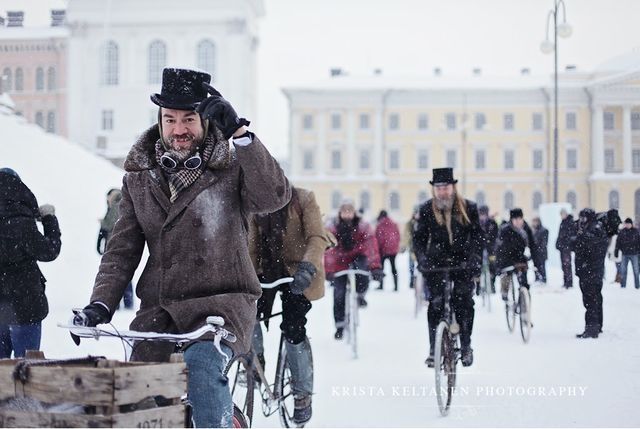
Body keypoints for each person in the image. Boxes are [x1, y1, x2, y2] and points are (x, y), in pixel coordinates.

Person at [72, 68, 291, 428]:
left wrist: (241, 135)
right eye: (170, 119)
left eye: (189, 118)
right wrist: (101, 304)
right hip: (160, 309)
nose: (178, 129)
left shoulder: (232, 167)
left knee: (204, 367)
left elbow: (274, 196)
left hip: (222, 303)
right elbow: (122, 250)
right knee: (137, 391)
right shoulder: (139, 178)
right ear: (159, 121)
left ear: (205, 120)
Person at [248, 187, 327, 425]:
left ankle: (302, 393)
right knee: (246, 312)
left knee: (293, 328)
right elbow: (250, 245)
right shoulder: (255, 203)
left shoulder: (303, 199)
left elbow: (317, 237)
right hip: (267, 270)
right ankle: (254, 362)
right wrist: (245, 279)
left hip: (299, 271)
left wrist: (308, 266)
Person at [413, 168, 482, 368]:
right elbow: (418, 239)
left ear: (453, 187)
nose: (442, 191)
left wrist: (474, 259)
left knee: (464, 302)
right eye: (438, 188)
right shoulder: (426, 209)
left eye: (446, 187)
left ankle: (466, 345)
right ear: (434, 190)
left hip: (463, 263)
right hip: (436, 264)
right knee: (435, 304)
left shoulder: (468, 208)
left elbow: (478, 237)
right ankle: (433, 349)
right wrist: (422, 259)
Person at [0, 168, 61, 358]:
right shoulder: (22, 223)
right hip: (25, 305)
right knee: (27, 368)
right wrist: (49, 219)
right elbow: (50, 251)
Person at [325, 199, 383, 340]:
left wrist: (375, 267)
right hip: (339, 261)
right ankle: (339, 326)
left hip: (358, 257)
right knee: (338, 294)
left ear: (354, 212)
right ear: (340, 213)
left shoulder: (362, 226)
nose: (347, 214)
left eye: (349, 211)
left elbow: (371, 246)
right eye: (344, 211)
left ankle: (360, 295)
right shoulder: (333, 227)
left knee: (363, 275)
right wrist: (329, 270)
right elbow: (328, 249)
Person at [572, 208, 608, 338]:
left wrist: (580, 237)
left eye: (583, 217)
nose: (580, 220)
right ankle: (597, 326)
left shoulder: (593, 229)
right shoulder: (595, 228)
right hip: (592, 271)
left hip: (590, 271)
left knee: (590, 300)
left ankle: (592, 329)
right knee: (596, 298)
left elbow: (593, 248)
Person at [96, 188, 134, 309]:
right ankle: (126, 302)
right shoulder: (123, 205)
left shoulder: (117, 206)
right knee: (123, 273)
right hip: (124, 245)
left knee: (114, 274)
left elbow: (108, 225)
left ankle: (115, 303)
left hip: (116, 246)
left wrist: (102, 222)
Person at [496, 208, 537, 300]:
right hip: (506, 258)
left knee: (524, 282)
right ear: (511, 220)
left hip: (520, 257)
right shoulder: (505, 230)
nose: (518, 222)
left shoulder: (526, 229)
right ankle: (505, 294)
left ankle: (524, 301)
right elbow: (499, 249)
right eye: (516, 219)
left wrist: (536, 263)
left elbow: (533, 246)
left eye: (520, 219)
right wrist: (499, 266)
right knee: (506, 277)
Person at [375, 210, 401, 291]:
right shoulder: (393, 223)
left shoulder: (380, 225)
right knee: (393, 268)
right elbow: (398, 236)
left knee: (381, 268)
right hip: (393, 250)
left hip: (383, 250)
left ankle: (381, 285)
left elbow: (378, 238)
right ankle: (396, 286)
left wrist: (379, 248)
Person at [614, 217, 640, 289]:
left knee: (636, 271)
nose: (627, 225)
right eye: (626, 224)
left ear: (631, 224)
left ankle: (637, 286)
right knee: (623, 271)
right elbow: (618, 242)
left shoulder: (636, 231)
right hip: (624, 254)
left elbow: (638, 242)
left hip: (634, 254)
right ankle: (623, 286)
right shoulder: (622, 232)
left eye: (628, 224)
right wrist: (616, 251)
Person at [478, 205, 498, 293]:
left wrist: (491, 242)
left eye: (484, 214)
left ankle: (492, 283)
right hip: (479, 247)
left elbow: (496, 235)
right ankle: (478, 286)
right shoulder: (477, 223)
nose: (483, 216)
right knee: (477, 265)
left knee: (493, 264)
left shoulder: (492, 223)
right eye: (481, 214)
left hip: (491, 247)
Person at [400, 206, 420, 289]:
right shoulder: (410, 223)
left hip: (422, 248)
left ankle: (419, 281)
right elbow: (406, 235)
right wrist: (403, 246)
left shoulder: (425, 222)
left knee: (421, 266)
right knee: (411, 266)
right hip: (412, 248)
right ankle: (412, 281)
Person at [556, 208, 576, 289]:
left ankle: (569, 282)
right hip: (563, 247)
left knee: (567, 265)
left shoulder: (569, 222)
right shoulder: (563, 222)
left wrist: (565, 242)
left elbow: (570, 235)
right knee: (564, 265)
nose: (561, 216)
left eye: (562, 214)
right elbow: (560, 234)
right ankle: (566, 281)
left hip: (566, 247)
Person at [531, 217, 549, 284]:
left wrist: (538, 248)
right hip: (535, 252)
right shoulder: (533, 230)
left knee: (542, 266)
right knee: (536, 267)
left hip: (541, 253)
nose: (534, 223)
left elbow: (544, 243)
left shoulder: (544, 230)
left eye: (535, 222)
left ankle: (543, 279)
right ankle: (537, 278)